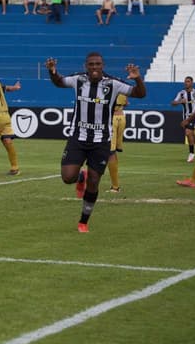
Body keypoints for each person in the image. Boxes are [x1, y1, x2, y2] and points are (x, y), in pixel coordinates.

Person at [46, 52, 146, 233]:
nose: (94, 67)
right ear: (86, 65)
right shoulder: (78, 80)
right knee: (68, 177)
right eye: (91, 64)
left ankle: (83, 221)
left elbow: (140, 94)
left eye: (97, 64)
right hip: (78, 137)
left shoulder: (112, 83)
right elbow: (59, 82)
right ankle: (79, 177)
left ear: (102, 65)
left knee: (94, 181)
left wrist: (137, 79)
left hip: (101, 141)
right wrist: (53, 72)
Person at [171, 76, 195, 162]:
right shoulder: (181, 93)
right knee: (191, 133)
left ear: (192, 83)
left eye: (188, 81)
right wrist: (179, 102)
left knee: (188, 132)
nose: (186, 83)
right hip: (186, 116)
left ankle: (191, 153)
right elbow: (173, 103)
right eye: (185, 81)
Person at [106, 93, 128, 192]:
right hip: (122, 117)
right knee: (112, 151)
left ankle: (115, 186)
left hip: (112, 119)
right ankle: (115, 185)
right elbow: (126, 103)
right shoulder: (123, 88)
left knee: (110, 151)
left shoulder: (107, 86)